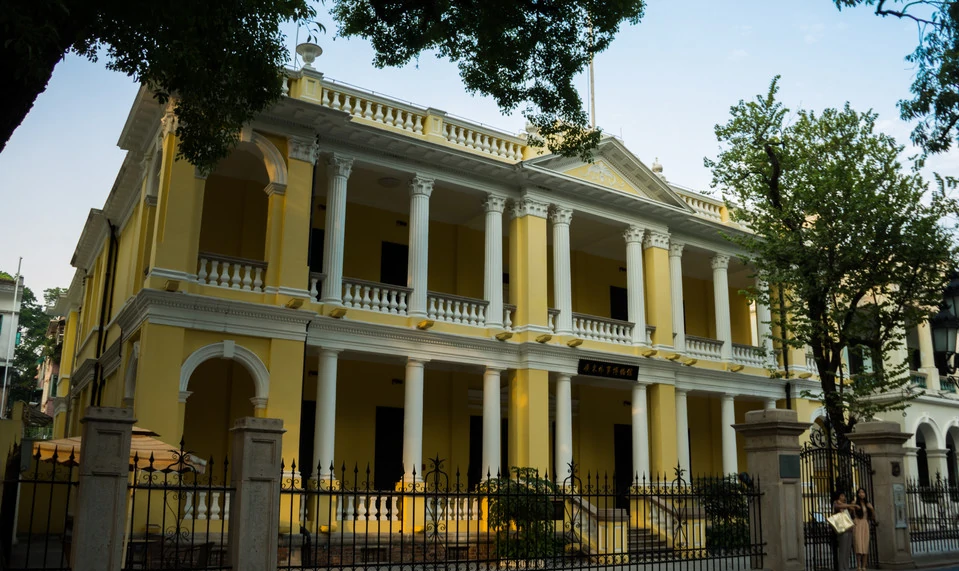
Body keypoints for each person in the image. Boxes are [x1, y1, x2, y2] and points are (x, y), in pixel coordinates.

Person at [852, 487, 877, 571]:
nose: (861, 494)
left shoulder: (868, 504)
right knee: (858, 545)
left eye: (863, 492)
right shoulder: (854, 503)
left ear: (865, 494)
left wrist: (872, 509)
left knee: (865, 545)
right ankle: (858, 566)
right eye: (859, 492)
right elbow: (850, 512)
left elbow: (873, 517)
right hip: (857, 523)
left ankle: (864, 566)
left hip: (865, 524)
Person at [832, 490, 856, 571]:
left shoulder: (845, 506)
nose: (843, 497)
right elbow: (840, 507)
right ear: (838, 496)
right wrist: (850, 505)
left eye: (844, 496)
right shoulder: (836, 503)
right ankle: (841, 568)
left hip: (849, 529)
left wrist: (852, 507)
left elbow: (849, 513)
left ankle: (846, 567)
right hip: (843, 530)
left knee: (847, 550)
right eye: (842, 495)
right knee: (842, 549)